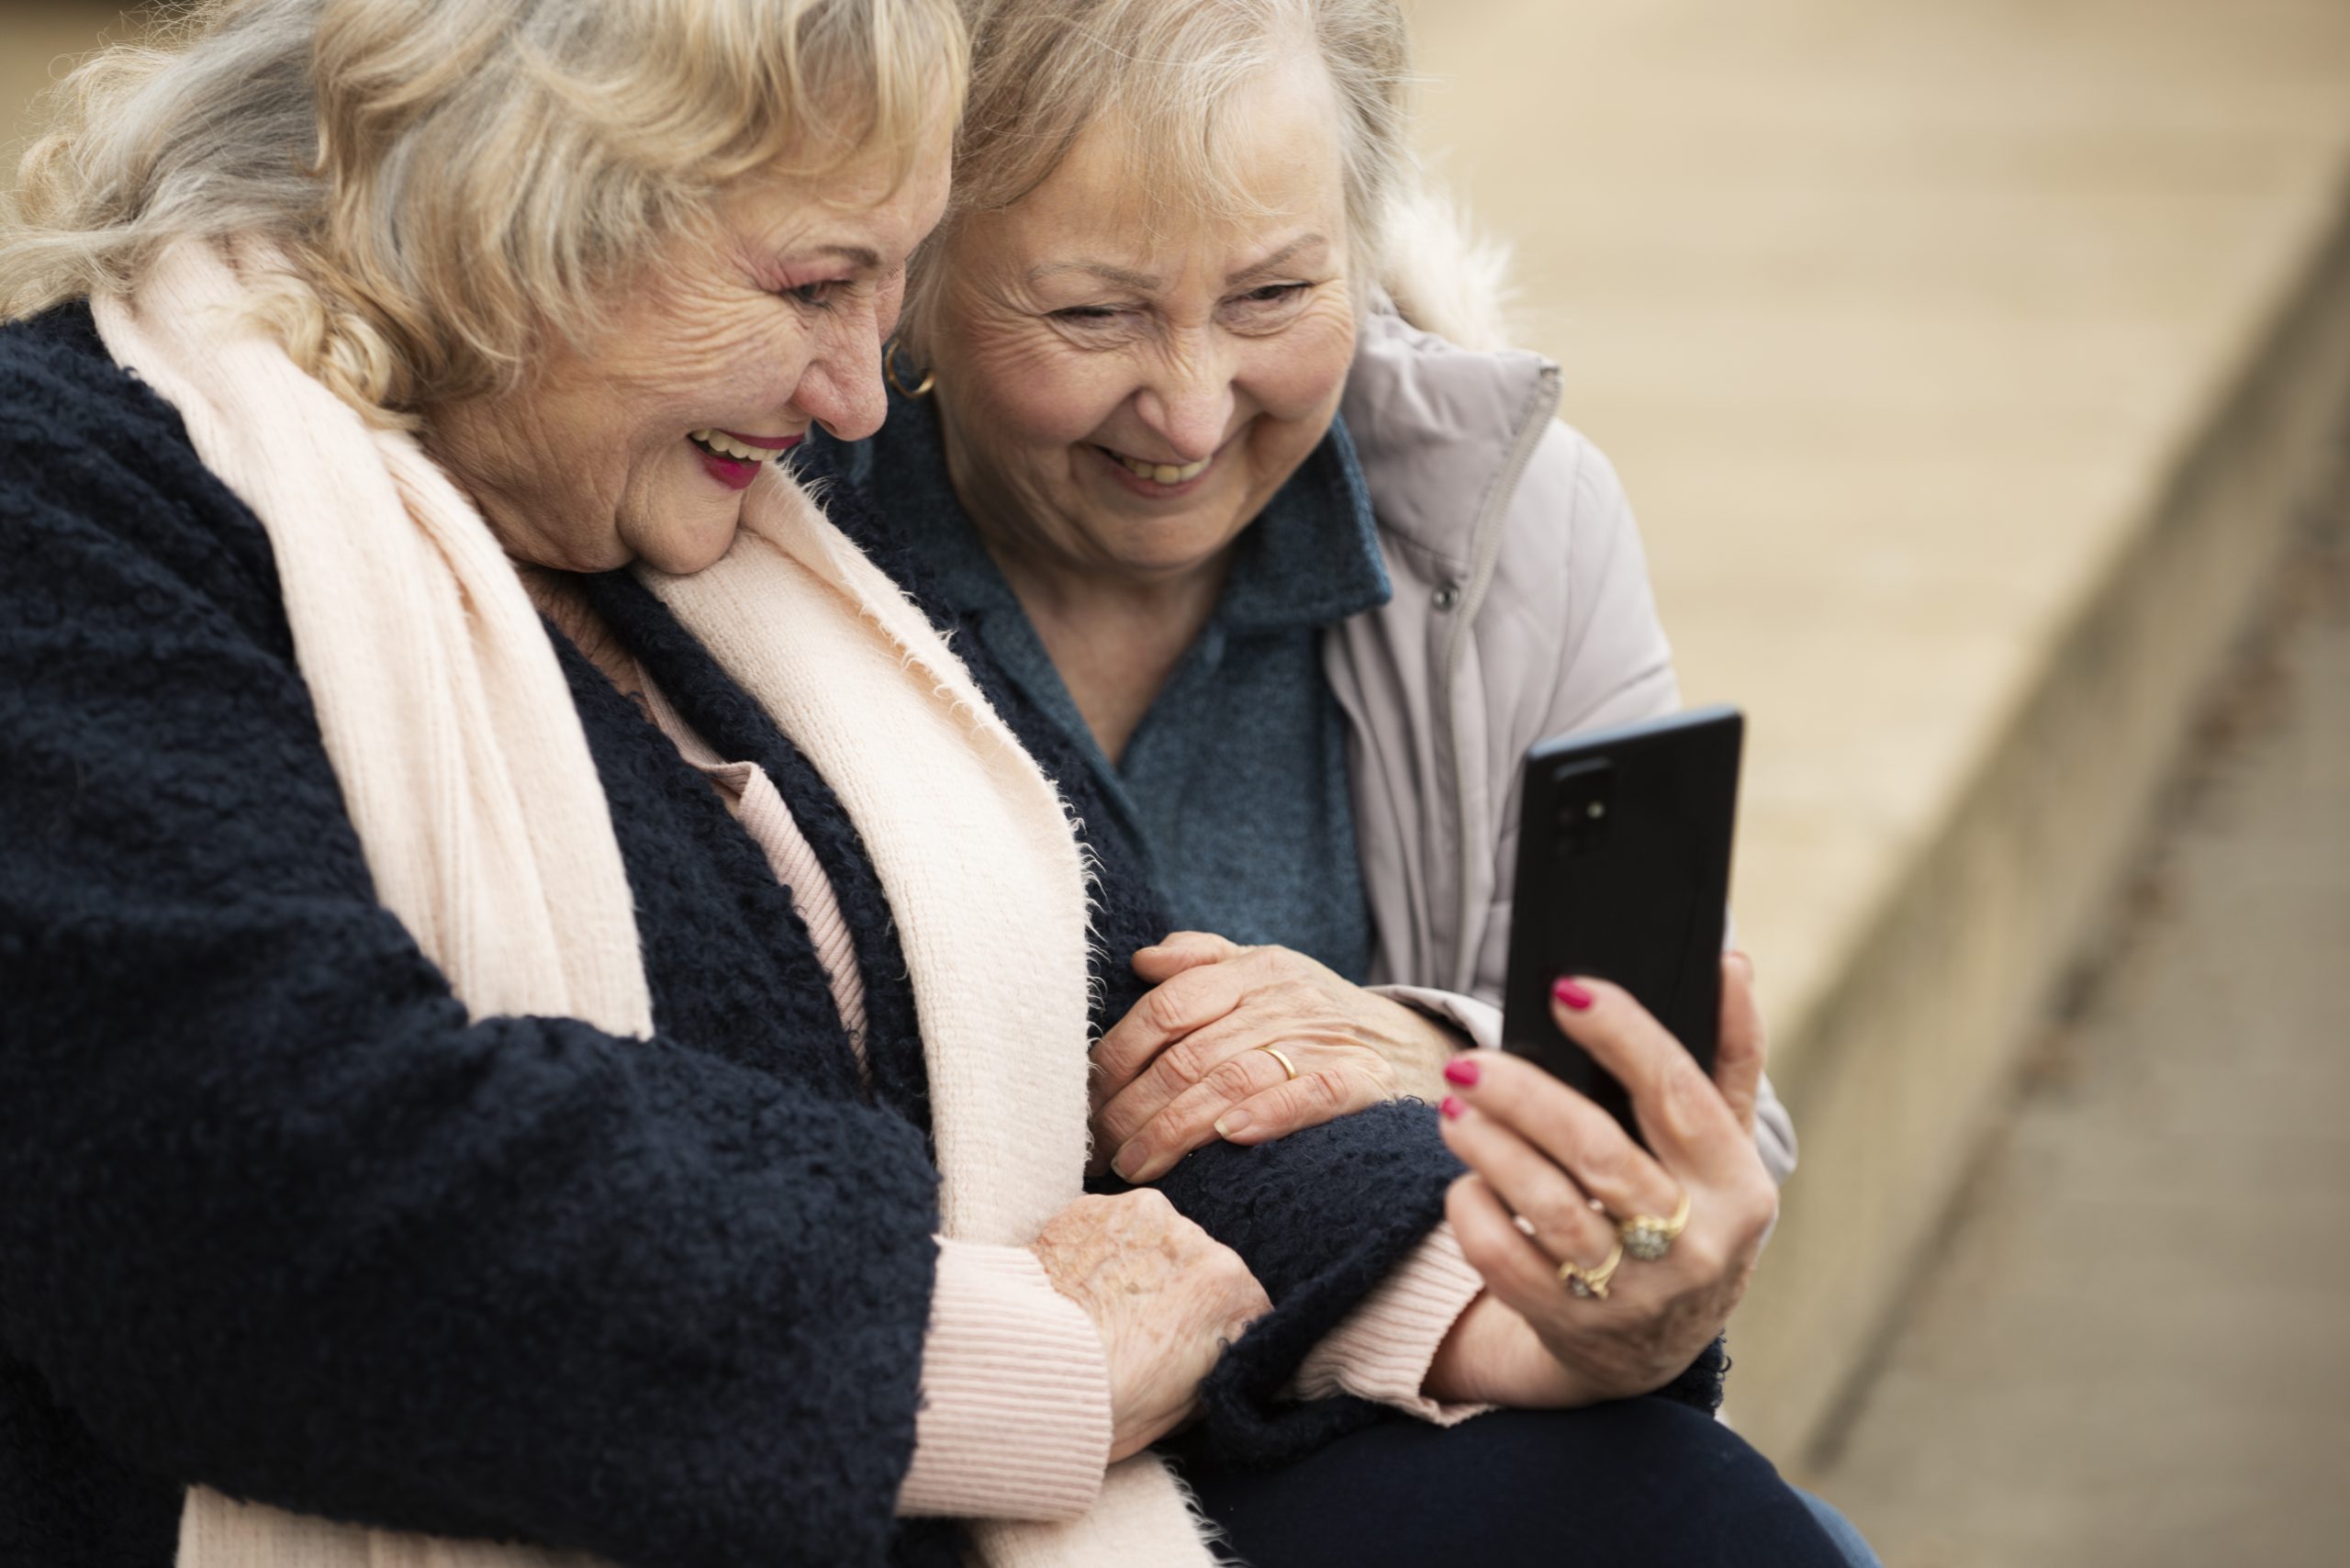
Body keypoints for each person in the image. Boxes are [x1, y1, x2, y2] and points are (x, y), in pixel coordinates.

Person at [0, 3, 1844, 1566]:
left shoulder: (702, 512)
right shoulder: (73, 506)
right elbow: (247, 1173)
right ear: (529, 208)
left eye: (878, 287)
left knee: (1668, 1503)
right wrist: (975, 1348)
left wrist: (1502, 1296)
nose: (862, 399)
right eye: (816, 284)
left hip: (913, 1471)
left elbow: (1133, 1039)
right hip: (660, 1468)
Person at [794, 1, 1878, 1561]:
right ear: (916, 275)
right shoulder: (772, 541)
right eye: (1093, 315)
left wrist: (1423, 1054)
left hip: (1398, 1394)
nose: (1189, 407)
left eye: (1276, 293)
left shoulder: (1511, 525)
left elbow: (1695, 1123)